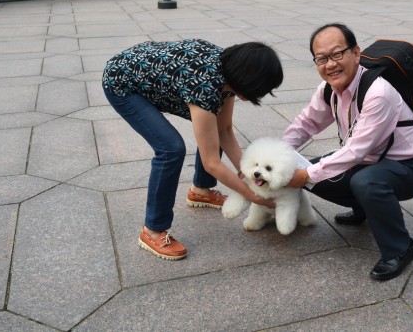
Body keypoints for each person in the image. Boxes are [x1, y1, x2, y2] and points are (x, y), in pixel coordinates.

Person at [103, 39, 282, 260]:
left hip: (148, 68)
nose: (262, 94)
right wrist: (254, 196)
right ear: (249, 80)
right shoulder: (205, 86)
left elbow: (224, 130)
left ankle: (202, 191)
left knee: (212, 129)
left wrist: (251, 176)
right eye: (262, 88)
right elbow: (212, 163)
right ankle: (153, 230)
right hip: (122, 81)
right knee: (170, 149)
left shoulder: (231, 70)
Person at [283, 23, 413, 281]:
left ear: (356, 53)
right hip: (368, 162)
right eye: (322, 58)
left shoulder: (378, 92)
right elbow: (306, 123)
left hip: (407, 168)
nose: (330, 64)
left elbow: (355, 152)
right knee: (308, 168)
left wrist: (305, 175)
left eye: (337, 54)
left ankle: (399, 248)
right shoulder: (329, 89)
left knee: (358, 180)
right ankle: (364, 209)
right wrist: (276, 155)